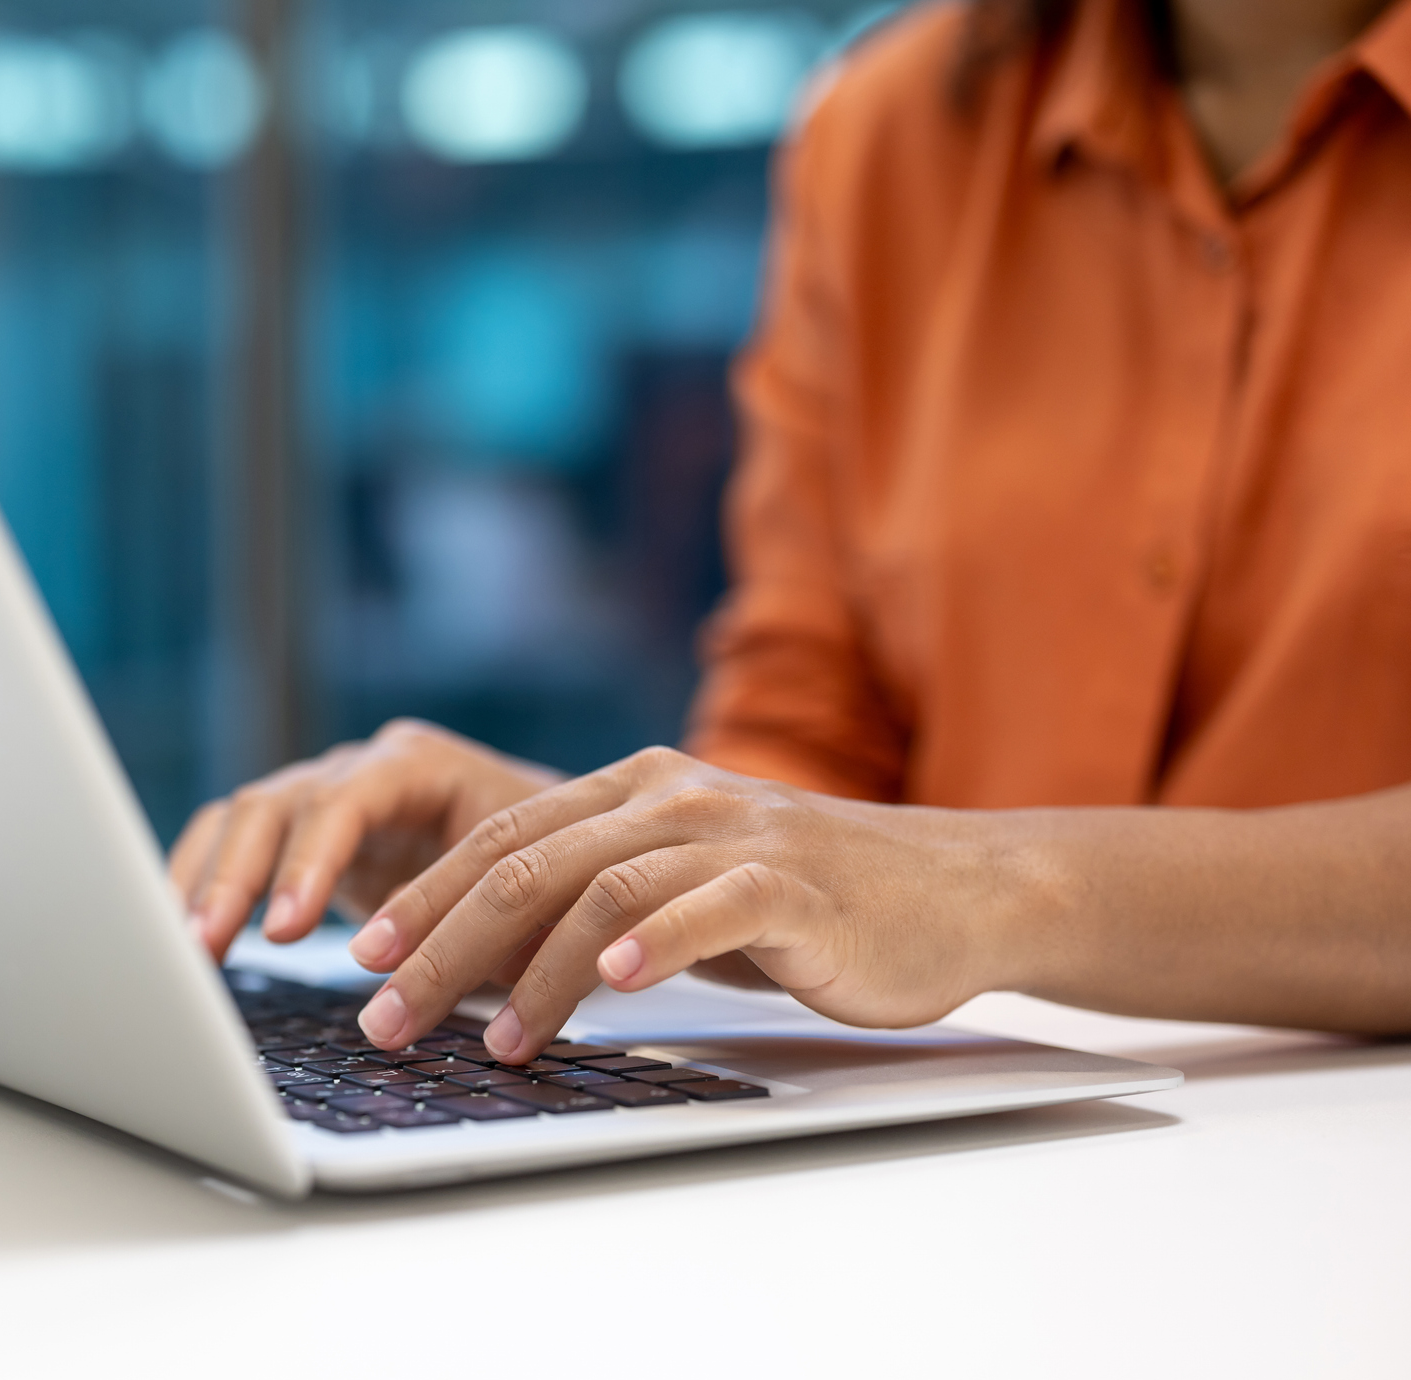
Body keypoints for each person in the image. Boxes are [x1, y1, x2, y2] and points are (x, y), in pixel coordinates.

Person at [172, 0, 1411, 1063]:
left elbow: (926, 876)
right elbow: (811, 749)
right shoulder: (887, 132)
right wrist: (578, 860)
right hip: (971, 1157)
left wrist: (995, 889)